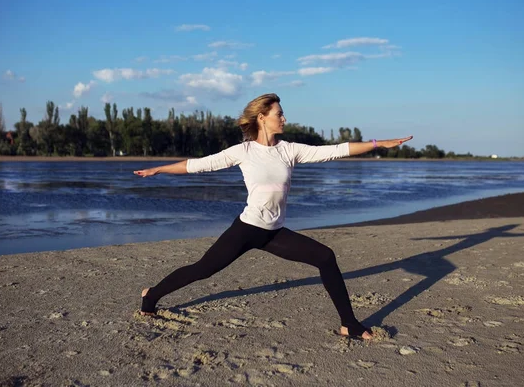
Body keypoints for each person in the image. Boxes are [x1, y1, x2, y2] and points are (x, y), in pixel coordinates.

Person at [134, 93, 412, 340]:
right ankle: (152, 295)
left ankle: (348, 324)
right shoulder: (242, 152)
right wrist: (159, 170)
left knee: (326, 257)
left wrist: (378, 143)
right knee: (203, 270)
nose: (284, 118)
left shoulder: (289, 150)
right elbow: (198, 166)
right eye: (279, 114)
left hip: (275, 232)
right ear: (262, 118)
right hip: (247, 229)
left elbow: (336, 150)